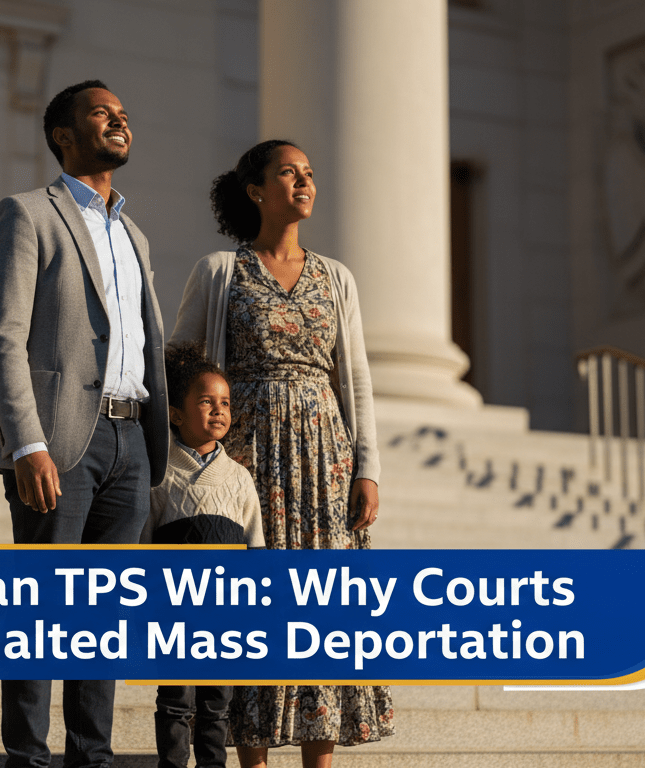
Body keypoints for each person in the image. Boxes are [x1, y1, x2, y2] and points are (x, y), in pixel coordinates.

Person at [170, 140, 394, 768]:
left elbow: (355, 377)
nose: (304, 182)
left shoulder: (336, 277)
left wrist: (368, 468)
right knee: (257, 605)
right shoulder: (221, 270)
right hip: (250, 459)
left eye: (309, 174)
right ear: (256, 190)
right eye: (289, 173)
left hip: (326, 460)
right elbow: (180, 362)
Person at [0, 79, 170, 768]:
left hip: (130, 441)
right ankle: (27, 757)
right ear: (64, 134)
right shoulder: (27, 213)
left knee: (103, 620)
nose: (119, 119)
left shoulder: (135, 234)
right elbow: (2, 336)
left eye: (123, 113)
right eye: (101, 112)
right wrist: (25, 441)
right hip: (57, 440)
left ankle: (93, 757)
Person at [141, 342, 264, 768]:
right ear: (176, 414)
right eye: (206, 401)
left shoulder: (239, 478)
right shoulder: (161, 474)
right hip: (174, 609)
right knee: (175, 700)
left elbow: (255, 546)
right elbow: (144, 544)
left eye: (225, 403)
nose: (219, 410)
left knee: (216, 704)